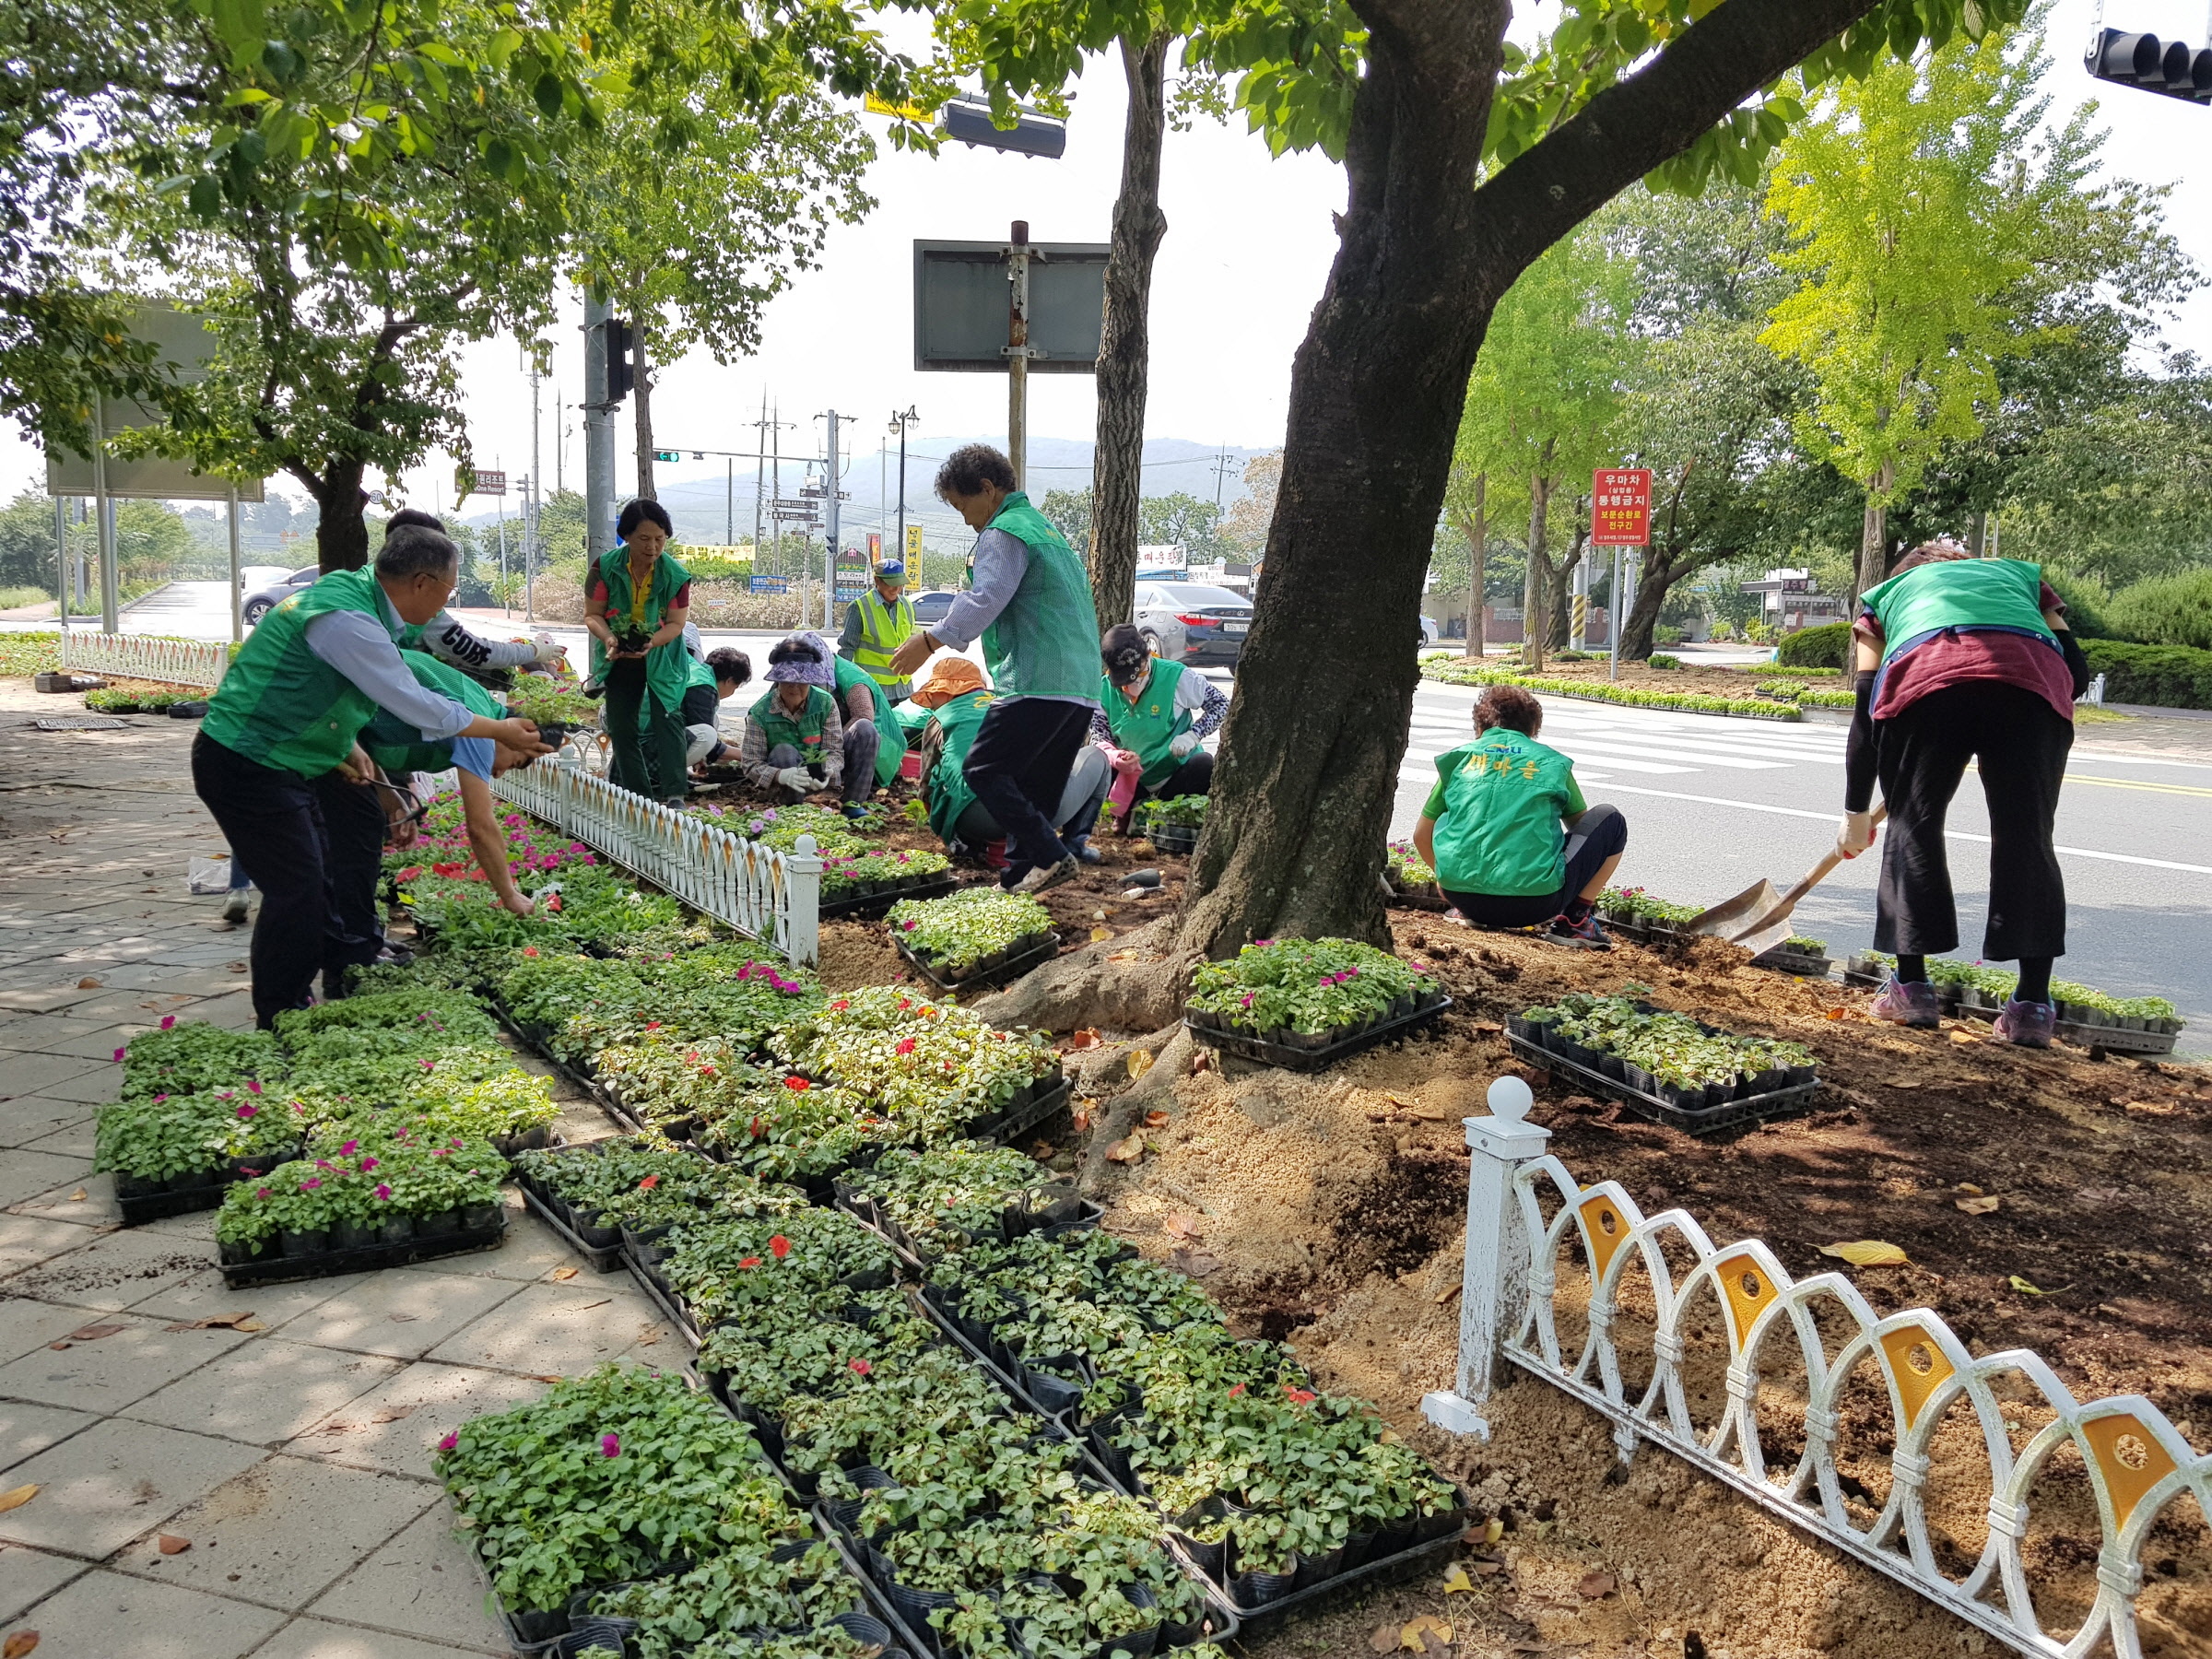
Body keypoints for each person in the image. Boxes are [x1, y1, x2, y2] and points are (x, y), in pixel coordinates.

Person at [193, 524, 547, 1027]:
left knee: (318, 878)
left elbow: (328, 689)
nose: (445, 603)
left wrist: (348, 745)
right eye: (448, 591)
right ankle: (282, 1014)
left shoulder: (358, 601)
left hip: (285, 762)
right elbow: (411, 701)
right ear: (423, 583)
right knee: (299, 890)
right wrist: (499, 729)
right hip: (247, 761)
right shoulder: (348, 618)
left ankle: (321, 981)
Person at [1836, 541, 2090, 1047]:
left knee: (1913, 828)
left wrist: (1856, 810)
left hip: (1924, 685)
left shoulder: (1885, 596)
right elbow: (2077, 674)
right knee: (2027, 837)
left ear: (1910, 574)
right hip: (2031, 685)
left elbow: (1867, 704)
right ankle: (2033, 1009)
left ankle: (1911, 989)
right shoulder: (2021, 581)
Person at [887, 444, 1103, 894]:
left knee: (982, 767)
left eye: (963, 505)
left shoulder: (1005, 531)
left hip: (1036, 677)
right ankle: (1021, 875)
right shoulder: (1046, 529)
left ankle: (1050, 855)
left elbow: (984, 597)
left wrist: (929, 641)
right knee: (1036, 786)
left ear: (987, 489)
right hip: (1080, 683)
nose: (966, 519)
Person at [1413, 683, 1628, 948]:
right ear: (1533, 729)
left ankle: (1463, 907)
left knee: (1446, 816)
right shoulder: (1551, 762)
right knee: (1611, 820)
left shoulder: (1460, 760)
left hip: (1463, 898)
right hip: (1535, 904)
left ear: (1479, 727)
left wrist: (1448, 882)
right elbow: (1582, 830)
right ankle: (1575, 922)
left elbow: (1421, 834)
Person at [361, 652, 546, 917]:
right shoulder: (483, 728)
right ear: (519, 732)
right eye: (515, 762)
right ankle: (354, 946)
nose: (500, 774)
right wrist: (510, 895)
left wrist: (394, 799)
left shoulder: (482, 709)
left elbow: (376, 735)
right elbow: (480, 826)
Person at [910, 656, 1110, 867]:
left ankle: (982, 843)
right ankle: (1072, 845)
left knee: (966, 787)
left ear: (947, 691)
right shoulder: (1011, 704)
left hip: (974, 819)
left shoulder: (943, 717)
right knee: (1098, 757)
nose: (931, 702)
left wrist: (948, 834)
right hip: (1038, 813)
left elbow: (926, 788)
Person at [583, 500, 691, 805]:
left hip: (660, 655)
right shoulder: (603, 568)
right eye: (644, 538)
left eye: (659, 539)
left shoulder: (676, 576)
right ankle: (639, 794)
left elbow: (675, 624)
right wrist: (609, 639)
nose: (653, 547)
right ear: (626, 536)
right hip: (617, 653)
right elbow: (593, 614)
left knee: (668, 720)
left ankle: (674, 795)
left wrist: (650, 642)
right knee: (621, 725)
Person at [382, 508, 566, 677]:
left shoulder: (371, 589)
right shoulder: (361, 618)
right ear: (421, 582)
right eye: (447, 588)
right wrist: (534, 651)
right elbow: (479, 652)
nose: (442, 606)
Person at [1092, 622, 1228, 830]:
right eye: (1123, 682)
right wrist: (1115, 757)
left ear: (1148, 657)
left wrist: (1193, 736)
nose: (1130, 688)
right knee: (1095, 763)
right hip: (1132, 781)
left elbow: (1221, 705)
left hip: (1175, 775)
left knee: (1204, 764)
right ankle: (1130, 813)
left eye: (1136, 677)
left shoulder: (1176, 676)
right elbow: (1099, 737)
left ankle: (1166, 817)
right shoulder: (1103, 689)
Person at [737, 635, 845, 803]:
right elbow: (751, 763)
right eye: (787, 681)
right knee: (784, 751)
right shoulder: (759, 713)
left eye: (802, 682)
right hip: (781, 785)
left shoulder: (826, 703)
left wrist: (825, 771)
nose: (794, 687)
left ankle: (843, 804)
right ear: (778, 680)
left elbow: (835, 752)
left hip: (815, 782)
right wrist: (780, 775)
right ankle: (792, 807)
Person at [829, 639, 908, 809]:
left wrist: (827, 752)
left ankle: (853, 803)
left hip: (882, 749)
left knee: (863, 729)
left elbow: (863, 717)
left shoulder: (853, 682)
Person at [838, 557, 917, 702]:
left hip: (904, 688)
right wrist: (842, 686)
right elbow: (846, 650)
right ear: (877, 581)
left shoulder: (907, 605)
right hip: (873, 689)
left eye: (899, 584)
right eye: (891, 584)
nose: (896, 589)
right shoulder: (860, 607)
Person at [681, 647, 753, 769]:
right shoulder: (703, 687)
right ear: (729, 681)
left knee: (713, 722)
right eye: (735, 688)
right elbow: (710, 745)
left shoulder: (695, 671)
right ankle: (664, 776)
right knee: (707, 734)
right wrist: (744, 755)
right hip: (650, 742)